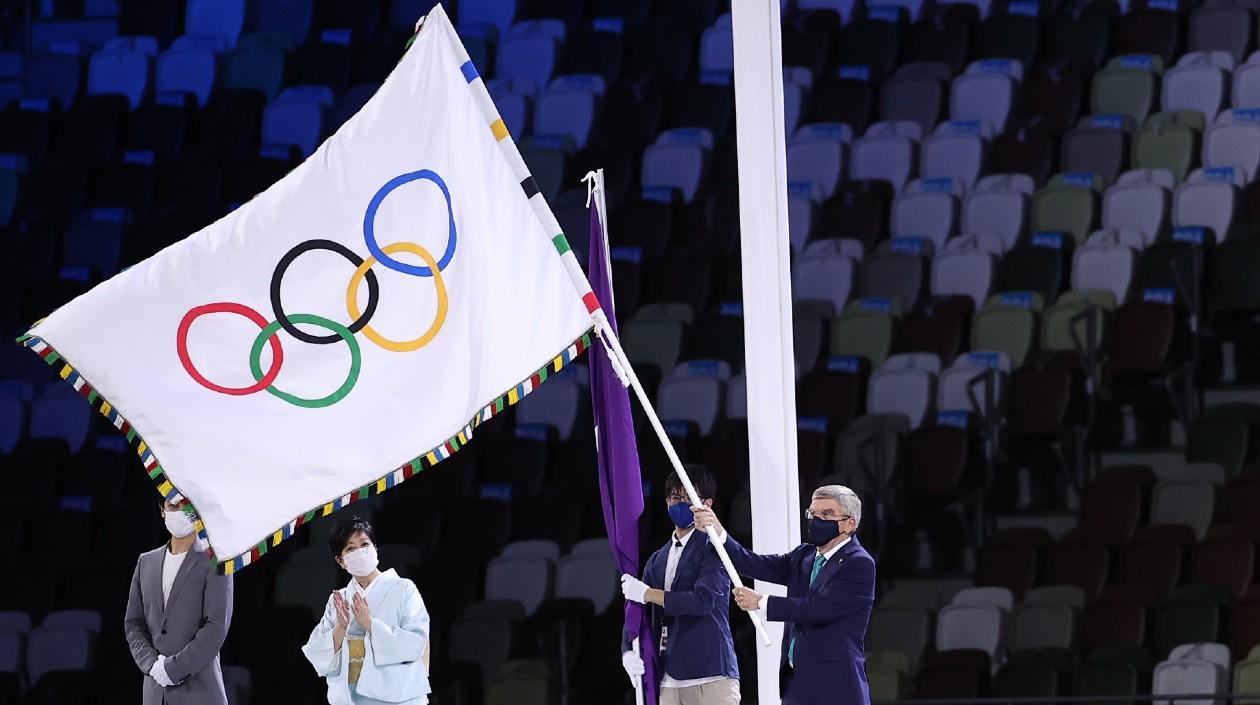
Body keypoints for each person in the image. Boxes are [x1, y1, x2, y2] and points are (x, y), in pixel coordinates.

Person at [692, 484, 875, 705]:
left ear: (849, 523)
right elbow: (752, 563)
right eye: (813, 513)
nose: (816, 520)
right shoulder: (804, 556)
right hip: (797, 684)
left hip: (836, 685)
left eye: (827, 514)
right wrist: (718, 532)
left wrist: (761, 603)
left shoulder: (858, 563)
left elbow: (818, 609)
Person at [620, 465, 740, 705]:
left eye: (688, 498)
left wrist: (648, 593)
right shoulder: (657, 559)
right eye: (676, 498)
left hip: (711, 674)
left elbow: (702, 600)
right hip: (669, 677)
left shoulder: (713, 548)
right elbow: (637, 608)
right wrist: (627, 648)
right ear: (666, 503)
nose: (680, 504)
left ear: (707, 504)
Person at [302, 517, 431, 705]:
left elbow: (417, 643)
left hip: (398, 698)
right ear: (341, 560)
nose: (360, 552)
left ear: (375, 548)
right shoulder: (338, 600)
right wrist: (340, 627)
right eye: (350, 549)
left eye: (364, 544)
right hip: (350, 697)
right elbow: (317, 653)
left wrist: (370, 624)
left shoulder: (404, 589)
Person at [125, 498, 233, 705]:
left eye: (185, 505)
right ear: (162, 511)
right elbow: (134, 623)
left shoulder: (216, 562)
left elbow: (216, 627)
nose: (179, 511)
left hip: (199, 692)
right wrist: (151, 664)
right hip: (154, 693)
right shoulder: (146, 562)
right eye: (172, 506)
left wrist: (173, 668)